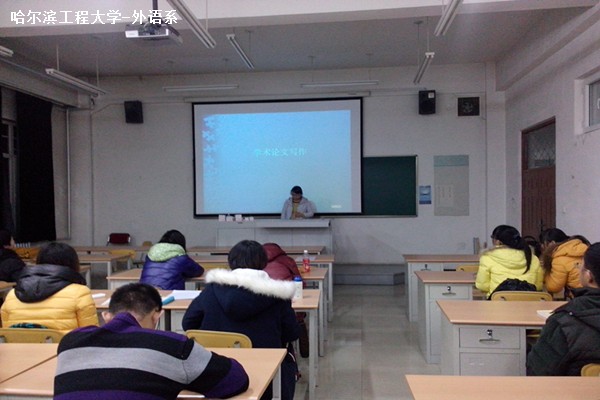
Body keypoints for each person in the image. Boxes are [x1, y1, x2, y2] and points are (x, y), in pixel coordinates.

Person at [54, 283, 249, 399]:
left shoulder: (70, 342)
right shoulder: (173, 346)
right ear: (157, 317)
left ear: (106, 316)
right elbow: (235, 380)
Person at [182, 240, 300, 400]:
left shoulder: (211, 290)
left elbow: (188, 324)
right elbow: (291, 333)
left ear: (231, 262)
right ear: (263, 262)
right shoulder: (278, 295)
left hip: (217, 371)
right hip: (266, 374)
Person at [526, 242, 600, 376]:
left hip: (576, 389)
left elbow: (538, 372)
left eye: (580, 266)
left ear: (588, 276)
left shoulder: (563, 321)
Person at [0, 242, 98, 332]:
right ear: (74, 264)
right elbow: (90, 334)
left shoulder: (12, 295)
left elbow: (6, 334)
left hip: (20, 345)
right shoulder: (80, 293)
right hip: (64, 345)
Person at [263, 242, 309, 358]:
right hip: (288, 302)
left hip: (265, 308)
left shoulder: (257, 262)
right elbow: (300, 283)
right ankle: (305, 352)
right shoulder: (287, 260)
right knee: (299, 318)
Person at [475, 225, 544, 298]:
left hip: (499, 301)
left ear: (498, 242)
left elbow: (482, 286)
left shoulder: (487, 258)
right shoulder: (532, 258)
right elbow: (538, 286)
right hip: (528, 301)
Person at [539, 228, 590, 298]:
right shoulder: (586, 249)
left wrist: (546, 272)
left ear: (552, 243)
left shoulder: (560, 259)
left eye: (543, 244)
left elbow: (554, 287)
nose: (542, 247)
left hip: (581, 297)